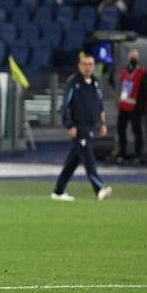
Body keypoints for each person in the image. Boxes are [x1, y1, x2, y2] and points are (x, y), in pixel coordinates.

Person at [52, 53, 113, 202]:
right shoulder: (73, 82)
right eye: (85, 64)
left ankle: (59, 190)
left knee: (73, 161)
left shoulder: (95, 83)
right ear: (79, 66)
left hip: (89, 126)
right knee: (88, 159)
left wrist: (102, 123)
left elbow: (99, 104)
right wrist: (70, 125)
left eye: (90, 64)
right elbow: (66, 105)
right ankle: (99, 188)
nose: (88, 67)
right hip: (79, 127)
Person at [115, 49, 147, 163]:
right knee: (120, 128)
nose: (133, 58)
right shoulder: (124, 71)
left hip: (135, 106)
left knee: (137, 130)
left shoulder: (142, 72)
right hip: (123, 105)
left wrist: (140, 102)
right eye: (132, 56)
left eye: (135, 56)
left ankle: (138, 153)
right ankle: (122, 152)